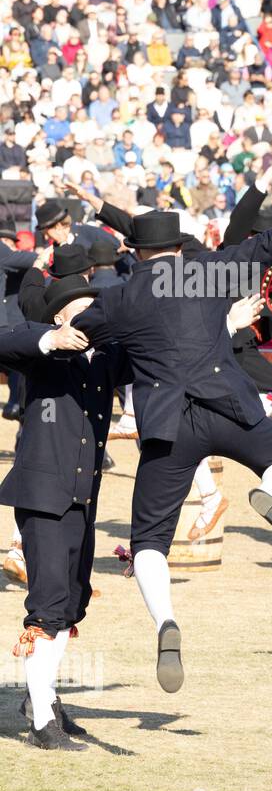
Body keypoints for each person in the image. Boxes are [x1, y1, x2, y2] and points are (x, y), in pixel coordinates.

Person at [70, 178, 272, 693]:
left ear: (135, 251)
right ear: (179, 247)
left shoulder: (120, 298)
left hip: (168, 425)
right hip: (228, 403)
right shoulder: (205, 272)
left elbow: (77, 337)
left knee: (149, 541)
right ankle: (270, 493)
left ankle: (166, 622)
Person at [0, 275, 130, 749]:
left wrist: (232, 329)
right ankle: (40, 728)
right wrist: (48, 338)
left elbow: (165, 347)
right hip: (41, 496)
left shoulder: (110, 356)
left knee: (72, 603)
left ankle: (43, 699)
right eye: (80, 308)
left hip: (82, 498)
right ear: (58, 316)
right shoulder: (41, 351)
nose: (90, 315)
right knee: (50, 605)